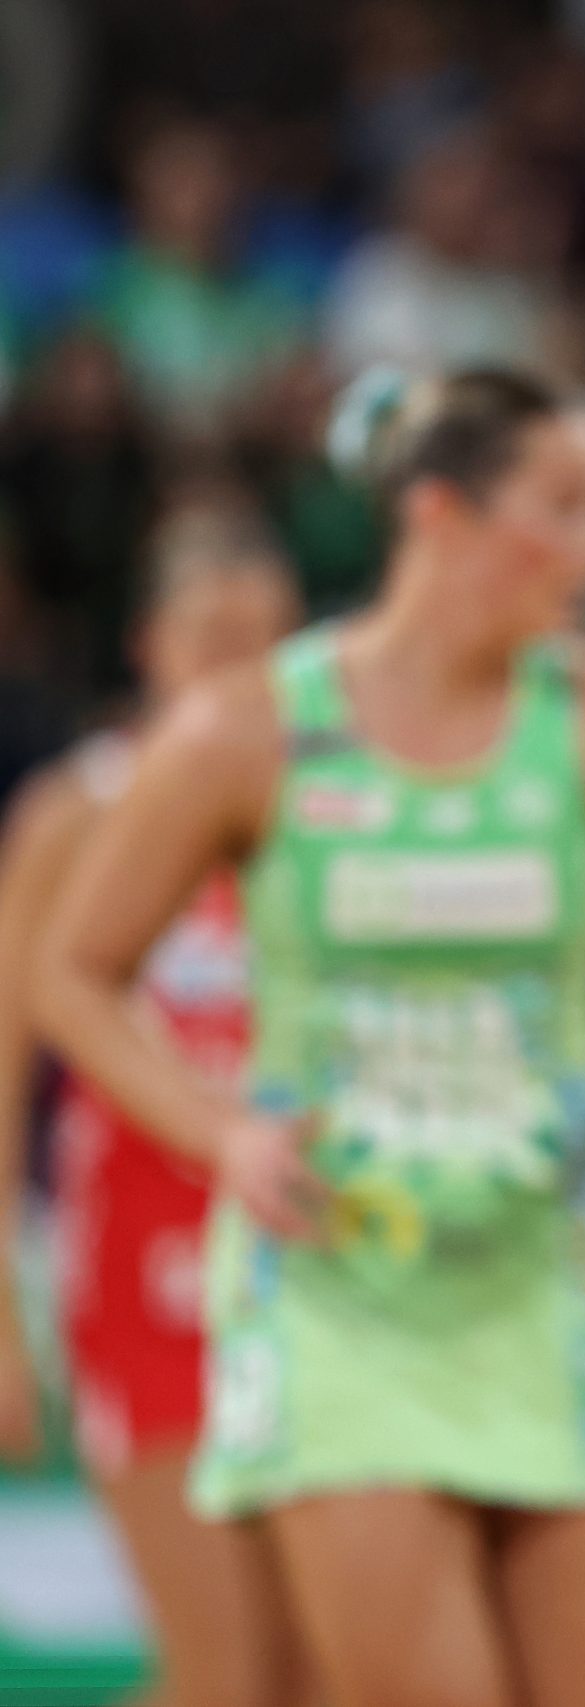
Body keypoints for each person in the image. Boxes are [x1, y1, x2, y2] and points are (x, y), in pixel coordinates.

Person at [33, 367, 585, 1707]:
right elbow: (70, 973)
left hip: (561, 1275)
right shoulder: (246, 728)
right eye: (563, 507)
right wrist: (222, 1132)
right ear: (439, 513)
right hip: (338, 1285)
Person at [0, 505, 305, 1706]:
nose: (231, 658)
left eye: (257, 636)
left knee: (318, 1669)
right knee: (224, 1670)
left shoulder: (338, 800)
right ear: (148, 646)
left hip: (312, 1273)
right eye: (206, 633)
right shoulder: (78, 812)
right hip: (145, 1270)